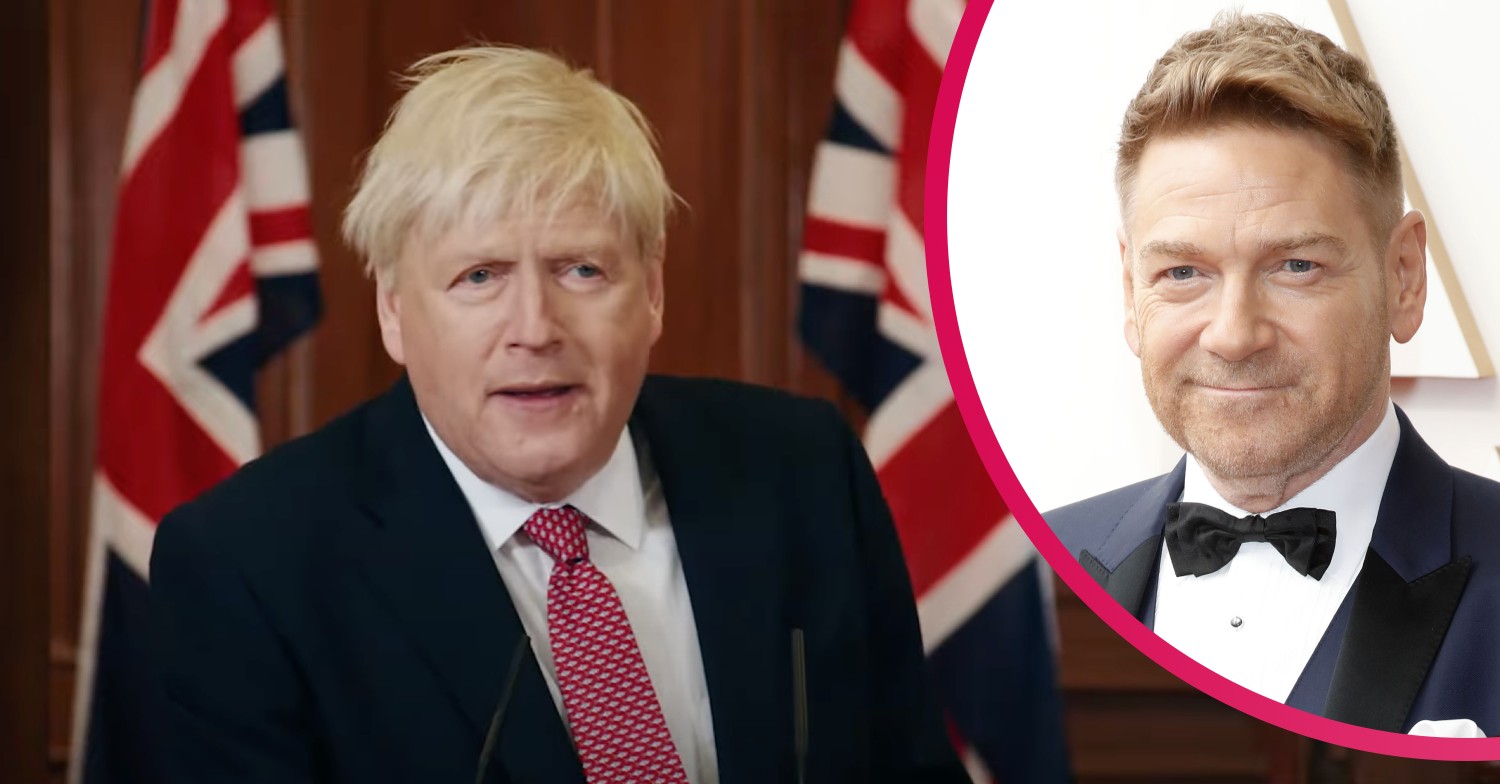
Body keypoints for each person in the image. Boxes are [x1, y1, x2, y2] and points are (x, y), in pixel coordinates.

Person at [148, 46, 969, 783]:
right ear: (394, 312)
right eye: (480, 277)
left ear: (650, 293)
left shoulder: (803, 473)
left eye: (581, 270)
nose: (535, 330)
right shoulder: (250, 562)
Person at [1047, 12, 1500, 737]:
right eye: (1183, 272)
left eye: (1296, 266)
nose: (1233, 335)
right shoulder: (1026, 580)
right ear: (1132, 294)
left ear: (1405, 277)